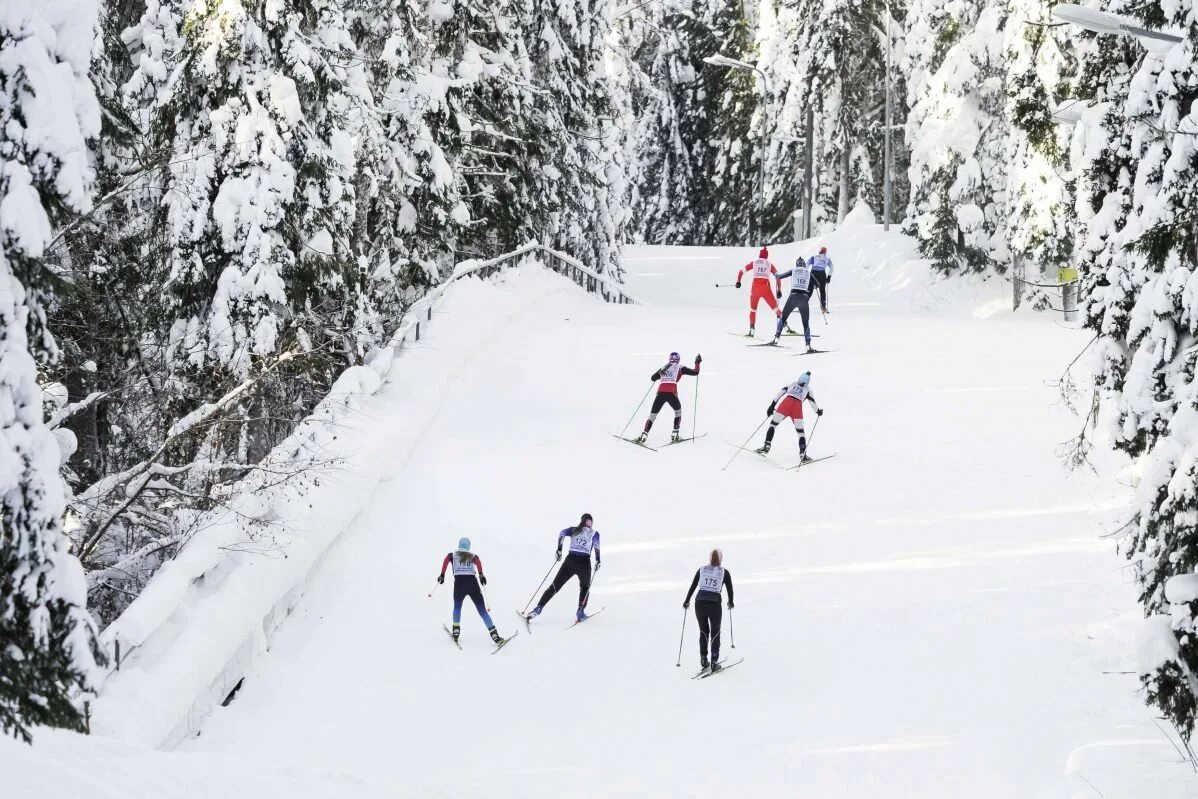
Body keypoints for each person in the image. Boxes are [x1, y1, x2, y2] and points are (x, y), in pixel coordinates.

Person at [526, 513, 601, 623]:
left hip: (570, 561)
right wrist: (598, 560)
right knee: (585, 587)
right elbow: (596, 546)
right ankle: (580, 612)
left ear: (582, 521)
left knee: (554, 587)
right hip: (584, 563)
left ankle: (537, 609)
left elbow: (562, 533)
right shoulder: (595, 533)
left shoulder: (574, 529)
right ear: (591, 522)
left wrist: (559, 549)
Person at [437, 537, 505, 644]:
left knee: (457, 607)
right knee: (482, 611)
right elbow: (478, 562)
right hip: (472, 585)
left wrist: (442, 575)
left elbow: (445, 561)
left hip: (459, 585)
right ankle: (495, 636)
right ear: (468, 546)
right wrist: (481, 575)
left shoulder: (452, 555)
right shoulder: (473, 556)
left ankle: (456, 631)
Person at [683, 549, 735, 671]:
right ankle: (714, 661)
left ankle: (703, 658)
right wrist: (731, 602)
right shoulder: (724, 572)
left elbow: (693, 585)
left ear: (710, 558)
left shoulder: (702, 570)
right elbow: (730, 590)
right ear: (721, 559)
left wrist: (687, 600)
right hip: (714, 604)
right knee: (715, 633)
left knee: (703, 631)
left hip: (699, 603)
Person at [756, 371, 824, 460]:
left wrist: (772, 406)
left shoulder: (792, 384)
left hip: (786, 404)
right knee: (800, 432)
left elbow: (780, 394)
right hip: (797, 408)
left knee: (773, 424)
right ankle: (802, 454)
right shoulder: (808, 390)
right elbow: (812, 402)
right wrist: (818, 411)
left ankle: (766, 446)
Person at [638, 352, 702, 444]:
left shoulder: (664, 367)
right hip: (671, 392)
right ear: (678, 359)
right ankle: (675, 434)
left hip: (660, 393)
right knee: (678, 411)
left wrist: (659, 375)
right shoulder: (680, 367)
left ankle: (644, 434)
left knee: (653, 415)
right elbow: (695, 372)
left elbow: (653, 378)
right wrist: (697, 362)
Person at [735, 247, 783, 336]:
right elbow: (778, 276)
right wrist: (779, 290)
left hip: (755, 288)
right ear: (767, 256)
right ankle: (784, 324)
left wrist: (738, 281)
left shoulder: (755, 262)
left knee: (753, 309)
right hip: (766, 288)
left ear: (759, 255)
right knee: (775, 308)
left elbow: (742, 270)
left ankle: (752, 329)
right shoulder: (769, 264)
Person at [773, 255, 815, 349]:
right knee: (805, 322)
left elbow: (780, 276)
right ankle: (808, 344)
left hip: (793, 297)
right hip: (804, 298)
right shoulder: (808, 272)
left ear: (797, 264)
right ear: (804, 265)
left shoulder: (794, 270)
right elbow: (817, 284)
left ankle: (776, 338)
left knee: (783, 318)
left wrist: (775, 275)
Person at [807, 246, 833, 313]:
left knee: (809, 290)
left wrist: (807, 273)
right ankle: (823, 307)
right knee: (822, 291)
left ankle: (803, 305)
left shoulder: (814, 257)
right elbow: (832, 267)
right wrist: (829, 277)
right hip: (822, 274)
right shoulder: (826, 258)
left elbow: (807, 264)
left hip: (813, 273)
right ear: (825, 253)